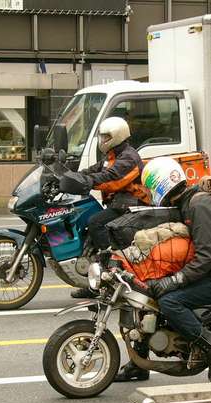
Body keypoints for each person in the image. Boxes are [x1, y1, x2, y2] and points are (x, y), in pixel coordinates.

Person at [115, 156, 211, 382]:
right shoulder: (185, 203)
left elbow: (207, 257)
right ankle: (139, 363)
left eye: (149, 189)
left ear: (160, 185)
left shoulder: (200, 206)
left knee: (170, 302)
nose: (147, 194)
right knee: (146, 292)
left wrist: (175, 280)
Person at [59, 116, 150, 299]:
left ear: (118, 136)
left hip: (130, 205)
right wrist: (69, 176)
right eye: (102, 137)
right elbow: (94, 170)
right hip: (118, 203)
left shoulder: (129, 157)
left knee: (95, 223)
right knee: (87, 220)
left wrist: (87, 182)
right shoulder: (111, 156)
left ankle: (110, 264)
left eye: (106, 137)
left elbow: (112, 177)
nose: (102, 140)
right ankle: (95, 281)